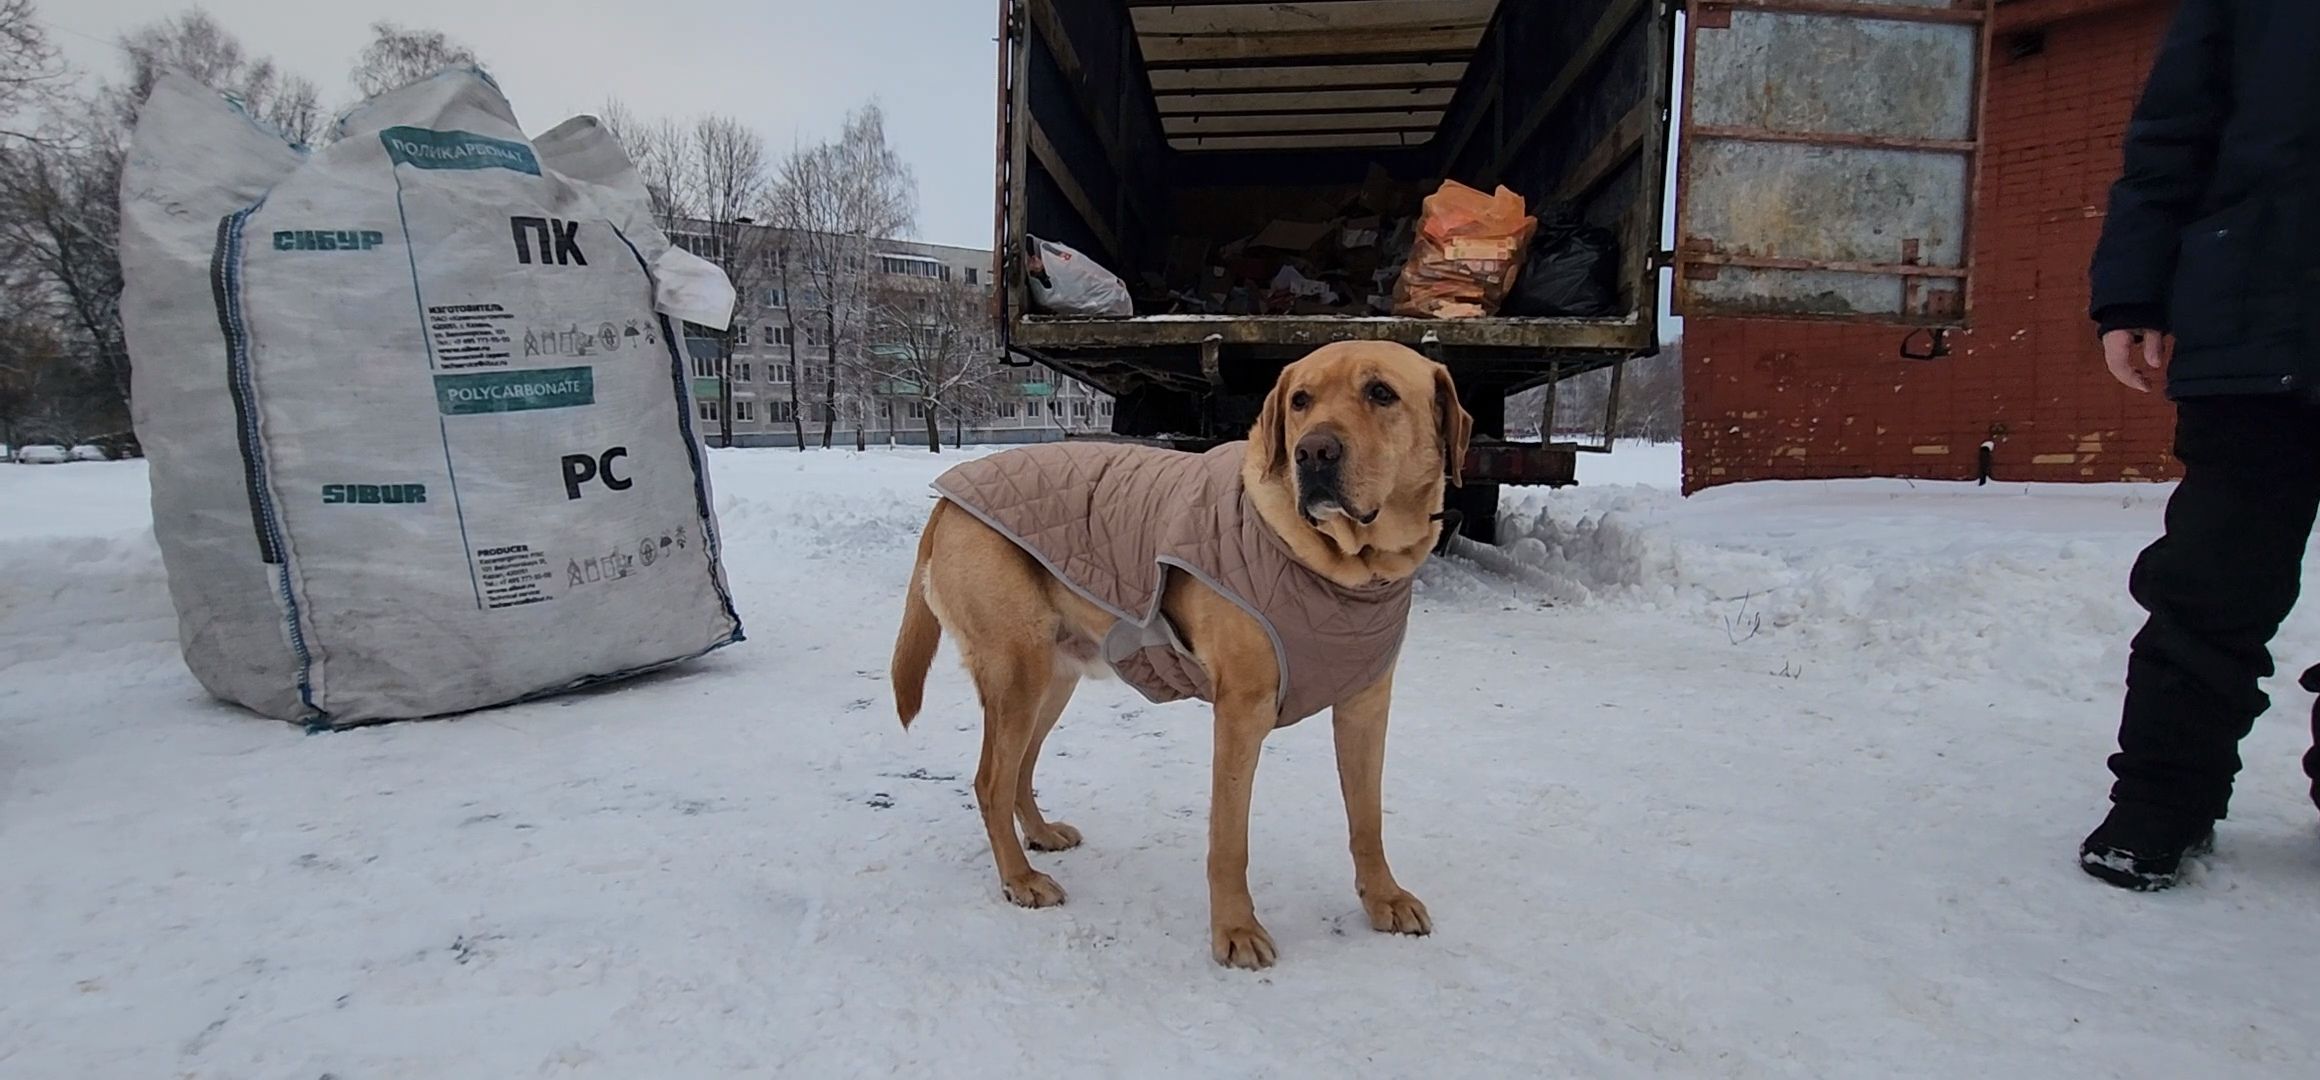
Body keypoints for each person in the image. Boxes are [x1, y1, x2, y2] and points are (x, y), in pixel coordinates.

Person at [2081, 0, 2320, 890]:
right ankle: (2158, 803)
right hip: (2259, 318)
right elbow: (2171, 136)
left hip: (2253, 314)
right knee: (2214, 582)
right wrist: (2132, 295)